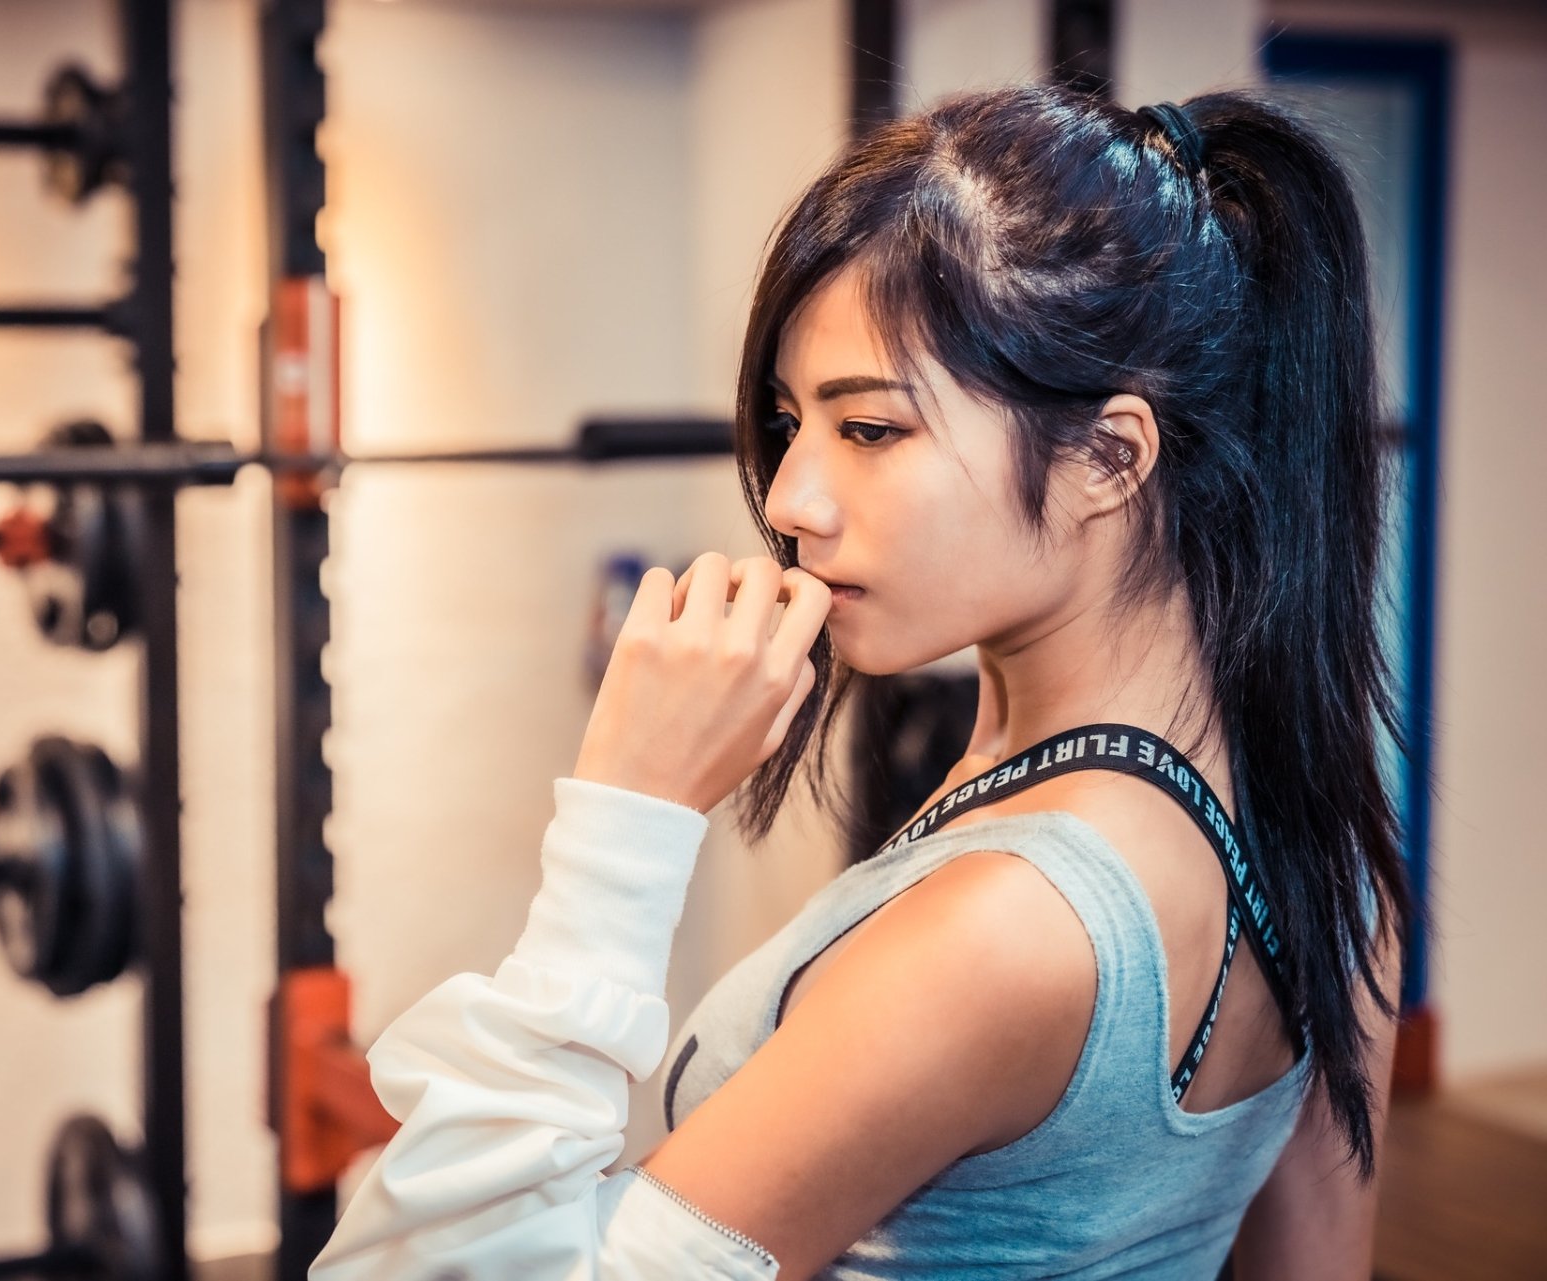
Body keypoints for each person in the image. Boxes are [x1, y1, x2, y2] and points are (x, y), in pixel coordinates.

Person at [310, 81, 1411, 1279]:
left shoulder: (1002, 930)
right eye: (791, 424)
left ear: (1108, 456)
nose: (789, 503)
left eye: (870, 430)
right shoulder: (1330, 860)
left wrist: (625, 819)